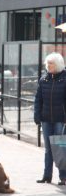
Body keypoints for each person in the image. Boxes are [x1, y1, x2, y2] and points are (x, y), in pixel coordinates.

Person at [34, 52, 66, 185]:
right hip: (46, 119)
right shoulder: (43, 79)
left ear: (58, 64)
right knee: (48, 149)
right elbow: (38, 100)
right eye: (47, 63)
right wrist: (37, 116)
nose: (49, 65)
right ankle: (47, 176)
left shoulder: (65, 78)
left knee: (60, 147)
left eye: (51, 63)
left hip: (60, 119)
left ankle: (63, 177)